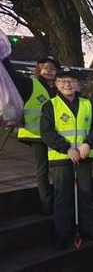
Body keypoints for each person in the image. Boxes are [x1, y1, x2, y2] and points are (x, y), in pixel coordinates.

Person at [40, 67, 93, 250]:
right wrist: (67, 149)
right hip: (61, 158)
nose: (67, 84)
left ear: (77, 85)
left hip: (84, 156)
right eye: (63, 81)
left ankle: (88, 230)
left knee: (85, 195)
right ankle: (62, 235)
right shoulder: (50, 105)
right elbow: (47, 132)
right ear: (57, 84)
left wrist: (87, 144)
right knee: (62, 198)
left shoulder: (88, 104)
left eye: (71, 81)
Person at [3, 56, 60, 215]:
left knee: (56, 168)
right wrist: (5, 58)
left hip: (55, 135)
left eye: (52, 69)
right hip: (36, 134)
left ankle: (57, 200)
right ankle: (47, 204)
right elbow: (12, 76)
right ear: (39, 70)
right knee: (43, 169)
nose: (48, 71)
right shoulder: (30, 84)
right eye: (45, 68)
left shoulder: (59, 87)